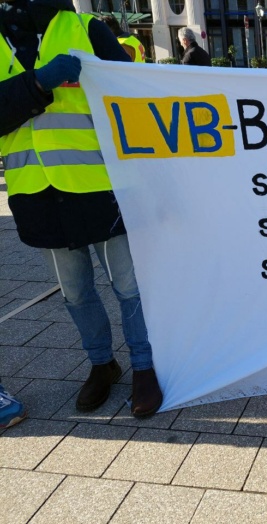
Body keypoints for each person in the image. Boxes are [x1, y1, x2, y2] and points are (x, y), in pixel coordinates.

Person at [0, 0, 163, 418]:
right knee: (75, 292)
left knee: (128, 285)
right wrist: (38, 83)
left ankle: (145, 366)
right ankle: (101, 363)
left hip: (100, 188)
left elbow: (133, 99)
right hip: (37, 194)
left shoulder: (86, 28)